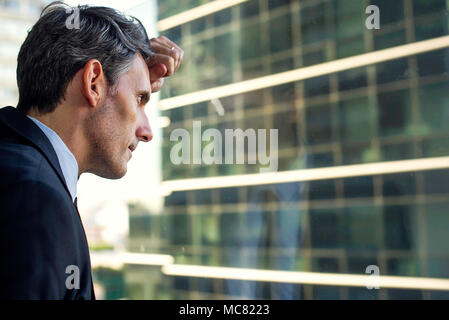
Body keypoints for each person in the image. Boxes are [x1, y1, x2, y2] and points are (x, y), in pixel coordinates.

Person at [0, 2, 183, 299]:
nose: (147, 132)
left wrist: (130, 65)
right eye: (140, 99)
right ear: (93, 83)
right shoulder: (36, 196)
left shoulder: (18, 169)